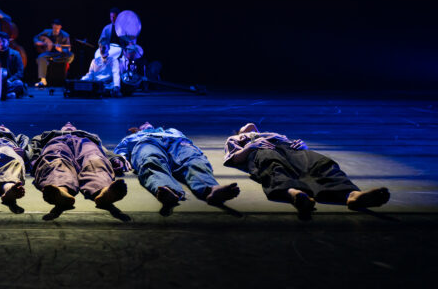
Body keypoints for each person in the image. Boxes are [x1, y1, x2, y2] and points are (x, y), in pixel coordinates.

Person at [224, 123, 390, 218]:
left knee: (318, 163)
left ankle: (352, 195)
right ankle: (294, 193)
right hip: (261, 151)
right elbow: (234, 158)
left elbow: (292, 144)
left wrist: (302, 146)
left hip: (290, 149)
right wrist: (250, 147)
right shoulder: (237, 139)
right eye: (246, 126)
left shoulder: (275, 134)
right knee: (273, 165)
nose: (251, 126)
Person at [114, 122, 239, 213]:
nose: (147, 124)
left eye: (149, 124)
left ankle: (210, 188)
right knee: (150, 161)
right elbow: (120, 152)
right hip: (146, 143)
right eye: (144, 125)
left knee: (193, 159)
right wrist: (119, 160)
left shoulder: (171, 130)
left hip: (176, 142)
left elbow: (187, 143)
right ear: (136, 129)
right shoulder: (131, 137)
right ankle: (168, 191)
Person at [29, 122, 128, 211]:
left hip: (84, 142)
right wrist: (35, 159)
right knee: (56, 159)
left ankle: (104, 191)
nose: (69, 123)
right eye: (66, 125)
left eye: (71, 125)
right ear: (61, 129)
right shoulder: (48, 135)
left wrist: (114, 158)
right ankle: (61, 191)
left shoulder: (89, 136)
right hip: (57, 141)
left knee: (94, 159)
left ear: (75, 128)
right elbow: (36, 146)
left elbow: (102, 150)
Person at [33, 19, 75, 88]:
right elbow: (35, 38)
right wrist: (40, 43)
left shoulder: (65, 35)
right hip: (49, 53)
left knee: (71, 55)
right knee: (41, 57)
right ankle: (43, 80)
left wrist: (61, 49)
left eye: (57, 28)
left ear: (60, 27)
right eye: (54, 28)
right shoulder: (46, 32)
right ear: (52, 26)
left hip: (60, 54)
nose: (55, 30)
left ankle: (55, 61)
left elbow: (68, 49)